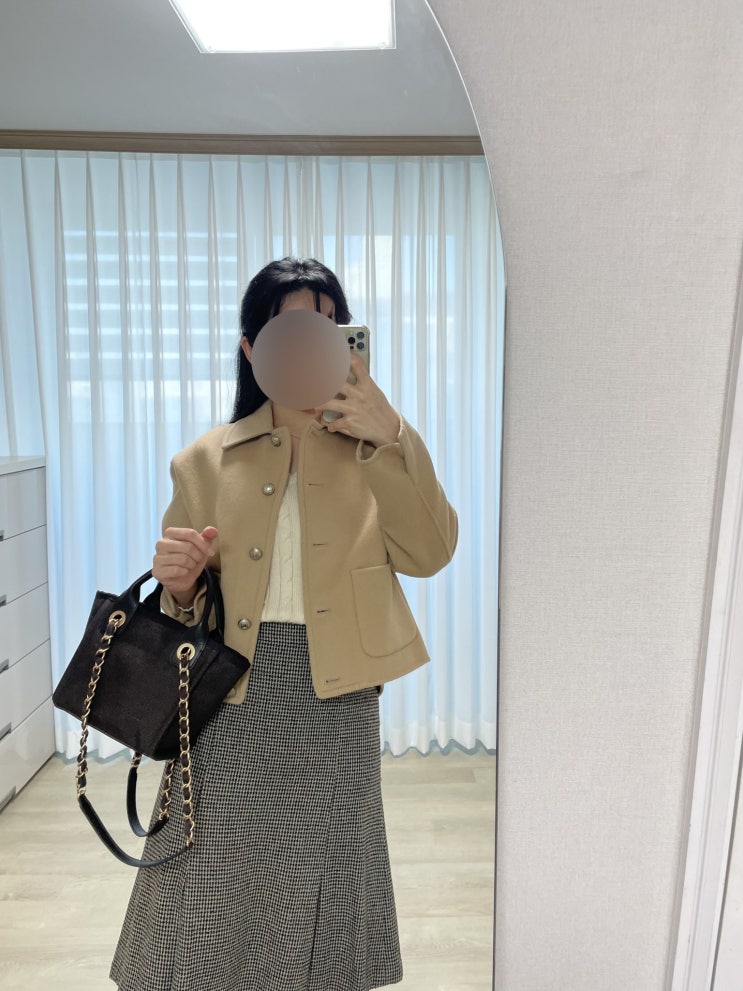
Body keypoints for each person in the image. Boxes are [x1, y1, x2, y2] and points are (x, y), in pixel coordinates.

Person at [110, 257, 458, 991]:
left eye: (328, 327)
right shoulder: (203, 461)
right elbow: (182, 612)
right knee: (209, 860)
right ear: (252, 349)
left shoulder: (376, 449)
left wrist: (391, 434)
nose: (311, 345)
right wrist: (180, 585)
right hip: (228, 691)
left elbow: (430, 553)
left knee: (325, 859)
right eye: (290, 330)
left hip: (336, 692)